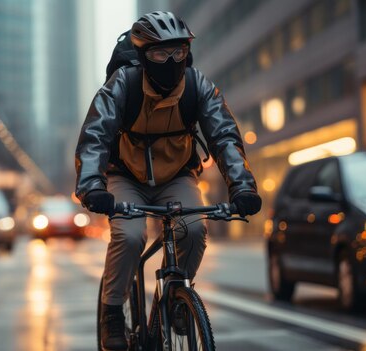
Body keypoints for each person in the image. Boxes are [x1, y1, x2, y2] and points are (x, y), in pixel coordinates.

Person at [75, 11, 262, 350]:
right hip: (125, 175)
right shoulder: (123, 84)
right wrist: (92, 186)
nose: (171, 60)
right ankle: (112, 311)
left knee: (193, 229)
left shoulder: (198, 86)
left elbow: (224, 135)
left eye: (178, 52)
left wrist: (242, 185)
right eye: (160, 53)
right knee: (131, 236)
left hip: (176, 174)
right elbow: (95, 135)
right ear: (143, 56)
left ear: (187, 53)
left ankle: (174, 297)